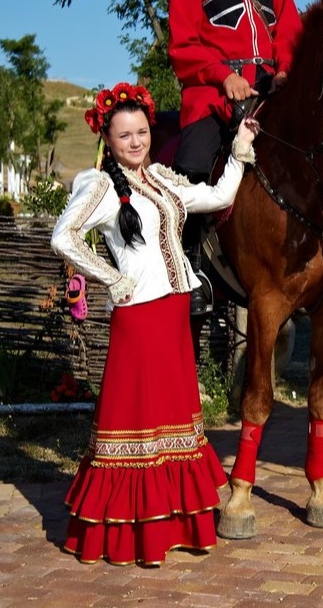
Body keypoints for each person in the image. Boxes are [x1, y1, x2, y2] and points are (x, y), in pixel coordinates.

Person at [50, 80, 260, 567]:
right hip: (139, 320)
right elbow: (64, 237)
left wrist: (240, 148)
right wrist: (110, 278)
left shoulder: (162, 179)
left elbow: (218, 193)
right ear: (110, 139)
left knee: (173, 424)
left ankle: (173, 528)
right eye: (125, 136)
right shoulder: (101, 186)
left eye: (142, 132)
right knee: (136, 423)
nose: (137, 142)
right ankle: (127, 537)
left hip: (172, 314)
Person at [167, 0, 302, 314]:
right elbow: (183, 43)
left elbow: (289, 30)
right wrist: (222, 75)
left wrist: (285, 70)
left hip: (270, 90)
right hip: (212, 94)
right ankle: (188, 272)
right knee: (189, 166)